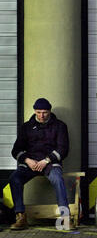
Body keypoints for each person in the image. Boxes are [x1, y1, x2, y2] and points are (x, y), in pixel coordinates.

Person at [8, 98, 70, 230]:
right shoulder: (26, 127)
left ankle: (65, 218)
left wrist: (46, 160)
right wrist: (27, 160)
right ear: (35, 111)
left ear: (50, 111)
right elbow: (16, 150)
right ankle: (20, 216)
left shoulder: (60, 126)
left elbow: (63, 149)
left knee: (58, 179)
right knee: (15, 178)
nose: (42, 115)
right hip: (31, 164)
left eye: (45, 112)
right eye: (39, 112)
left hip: (50, 164)